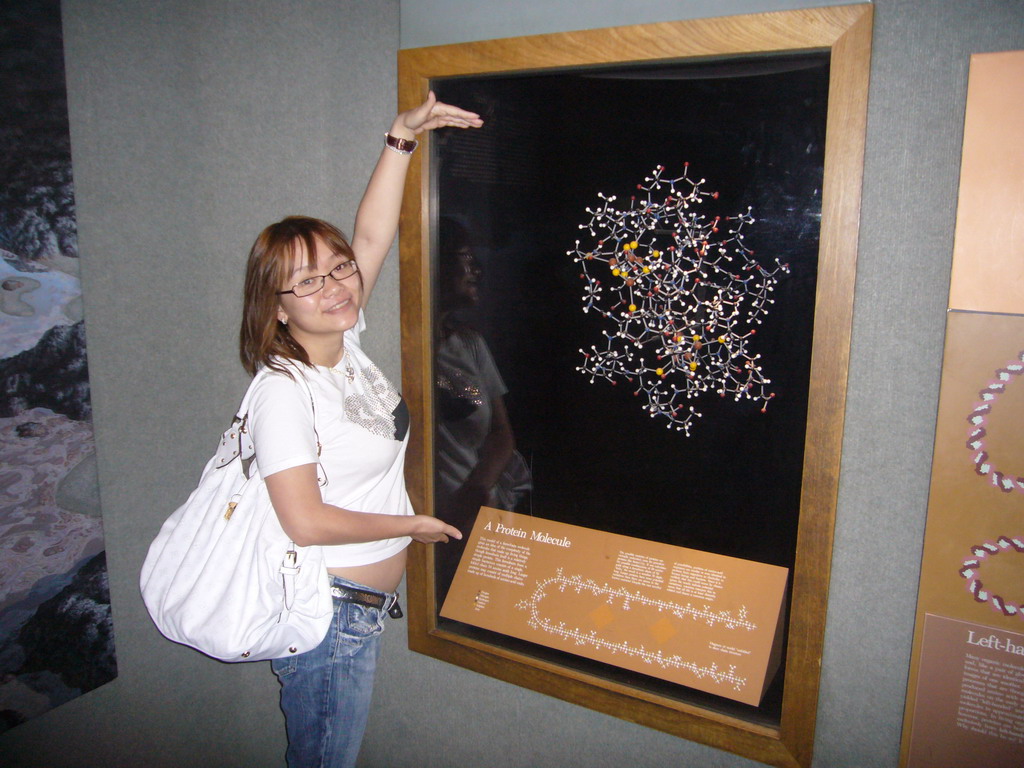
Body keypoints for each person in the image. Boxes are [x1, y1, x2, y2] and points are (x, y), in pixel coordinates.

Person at [238, 93, 481, 768]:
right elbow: (306, 522)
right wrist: (412, 528)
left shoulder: (346, 347)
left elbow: (371, 236)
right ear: (278, 308)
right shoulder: (285, 392)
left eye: (338, 268)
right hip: (327, 618)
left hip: (355, 611)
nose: (336, 287)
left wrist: (401, 138)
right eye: (308, 282)